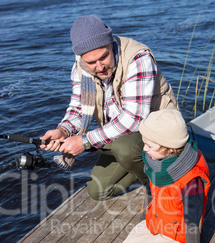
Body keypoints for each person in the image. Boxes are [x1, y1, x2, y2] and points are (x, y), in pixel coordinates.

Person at [40, 14, 179, 201]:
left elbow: (133, 120)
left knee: (124, 148)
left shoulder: (138, 58)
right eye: (91, 62)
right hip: (122, 134)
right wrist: (63, 130)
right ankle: (144, 168)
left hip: (159, 134)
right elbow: (77, 108)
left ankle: (159, 186)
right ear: (82, 58)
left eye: (103, 57)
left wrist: (84, 141)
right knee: (98, 191)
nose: (100, 67)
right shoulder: (80, 66)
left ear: (111, 44)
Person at [121, 109, 211, 243]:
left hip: (177, 231)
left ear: (170, 148)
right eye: (144, 143)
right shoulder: (154, 160)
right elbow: (150, 191)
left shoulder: (191, 179)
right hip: (157, 218)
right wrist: (144, 220)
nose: (144, 149)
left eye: (150, 145)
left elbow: (193, 219)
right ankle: (154, 236)